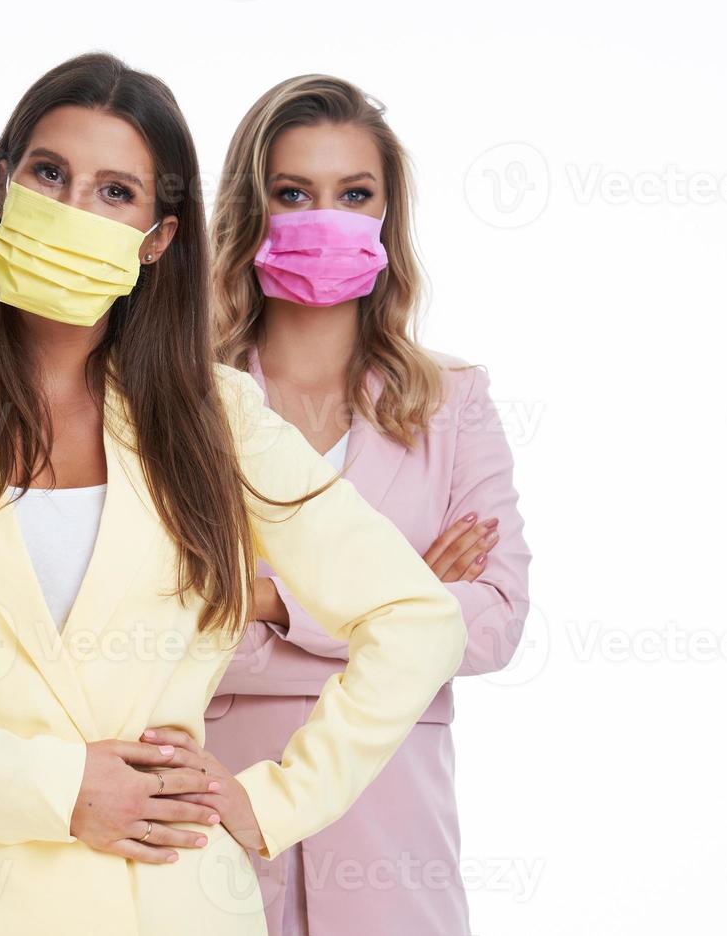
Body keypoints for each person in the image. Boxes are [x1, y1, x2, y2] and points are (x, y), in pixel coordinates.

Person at [0, 53, 467, 935]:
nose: (71, 210)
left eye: (115, 192)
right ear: (0, 189)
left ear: (159, 238)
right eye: (49, 174)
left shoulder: (217, 418)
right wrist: (61, 790)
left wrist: (271, 803)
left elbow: (417, 617)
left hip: (168, 901)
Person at [198, 74, 532, 936]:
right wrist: (400, 605)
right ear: (252, 209)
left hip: (395, 838)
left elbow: (493, 624)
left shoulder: (453, 400)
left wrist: (271, 600)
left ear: (389, 215)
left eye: (355, 194)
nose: (325, 216)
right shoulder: (181, 404)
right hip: (218, 814)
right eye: (293, 193)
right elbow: (165, 626)